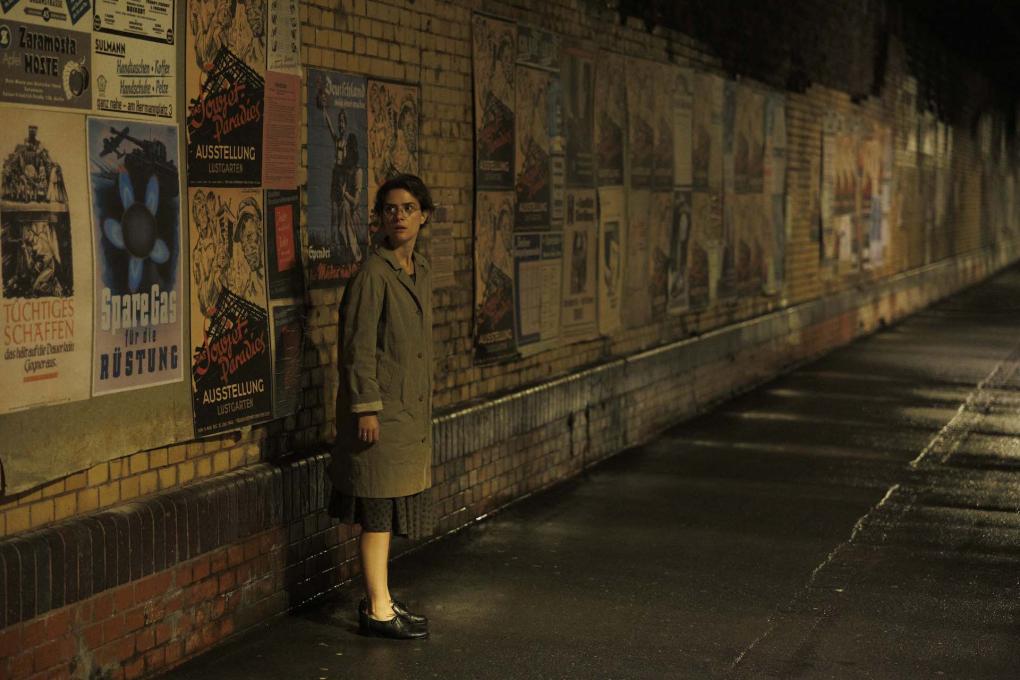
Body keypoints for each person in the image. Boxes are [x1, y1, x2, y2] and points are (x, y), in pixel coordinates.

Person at [329, 174, 435, 640]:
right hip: (381, 417)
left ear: (423, 215)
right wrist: (366, 408)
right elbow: (358, 348)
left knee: (388, 512)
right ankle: (377, 609)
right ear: (379, 218)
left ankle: (383, 599)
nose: (399, 216)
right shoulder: (373, 275)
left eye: (408, 208)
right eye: (390, 209)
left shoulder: (419, 270)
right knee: (376, 512)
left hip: (407, 415)